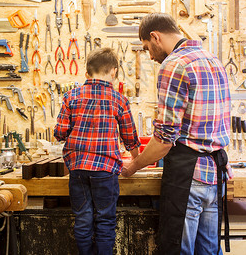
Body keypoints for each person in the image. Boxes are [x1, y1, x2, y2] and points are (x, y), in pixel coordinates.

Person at [122, 13, 232, 255]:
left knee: (178, 250)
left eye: (147, 48)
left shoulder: (174, 65)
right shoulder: (213, 59)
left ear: (155, 36)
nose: (150, 56)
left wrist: (133, 166)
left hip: (188, 178)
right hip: (215, 175)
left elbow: (164, 139)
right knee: (209, 251)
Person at [54, 47, 140, 255]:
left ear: (86, 73)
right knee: (105, 220)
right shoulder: (119, 99)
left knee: (83, 219)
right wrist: (136, 161)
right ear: (114, 71)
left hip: (78, 168)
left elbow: (59, 133)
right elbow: (130, 138)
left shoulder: (71, 96)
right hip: (105, 170)